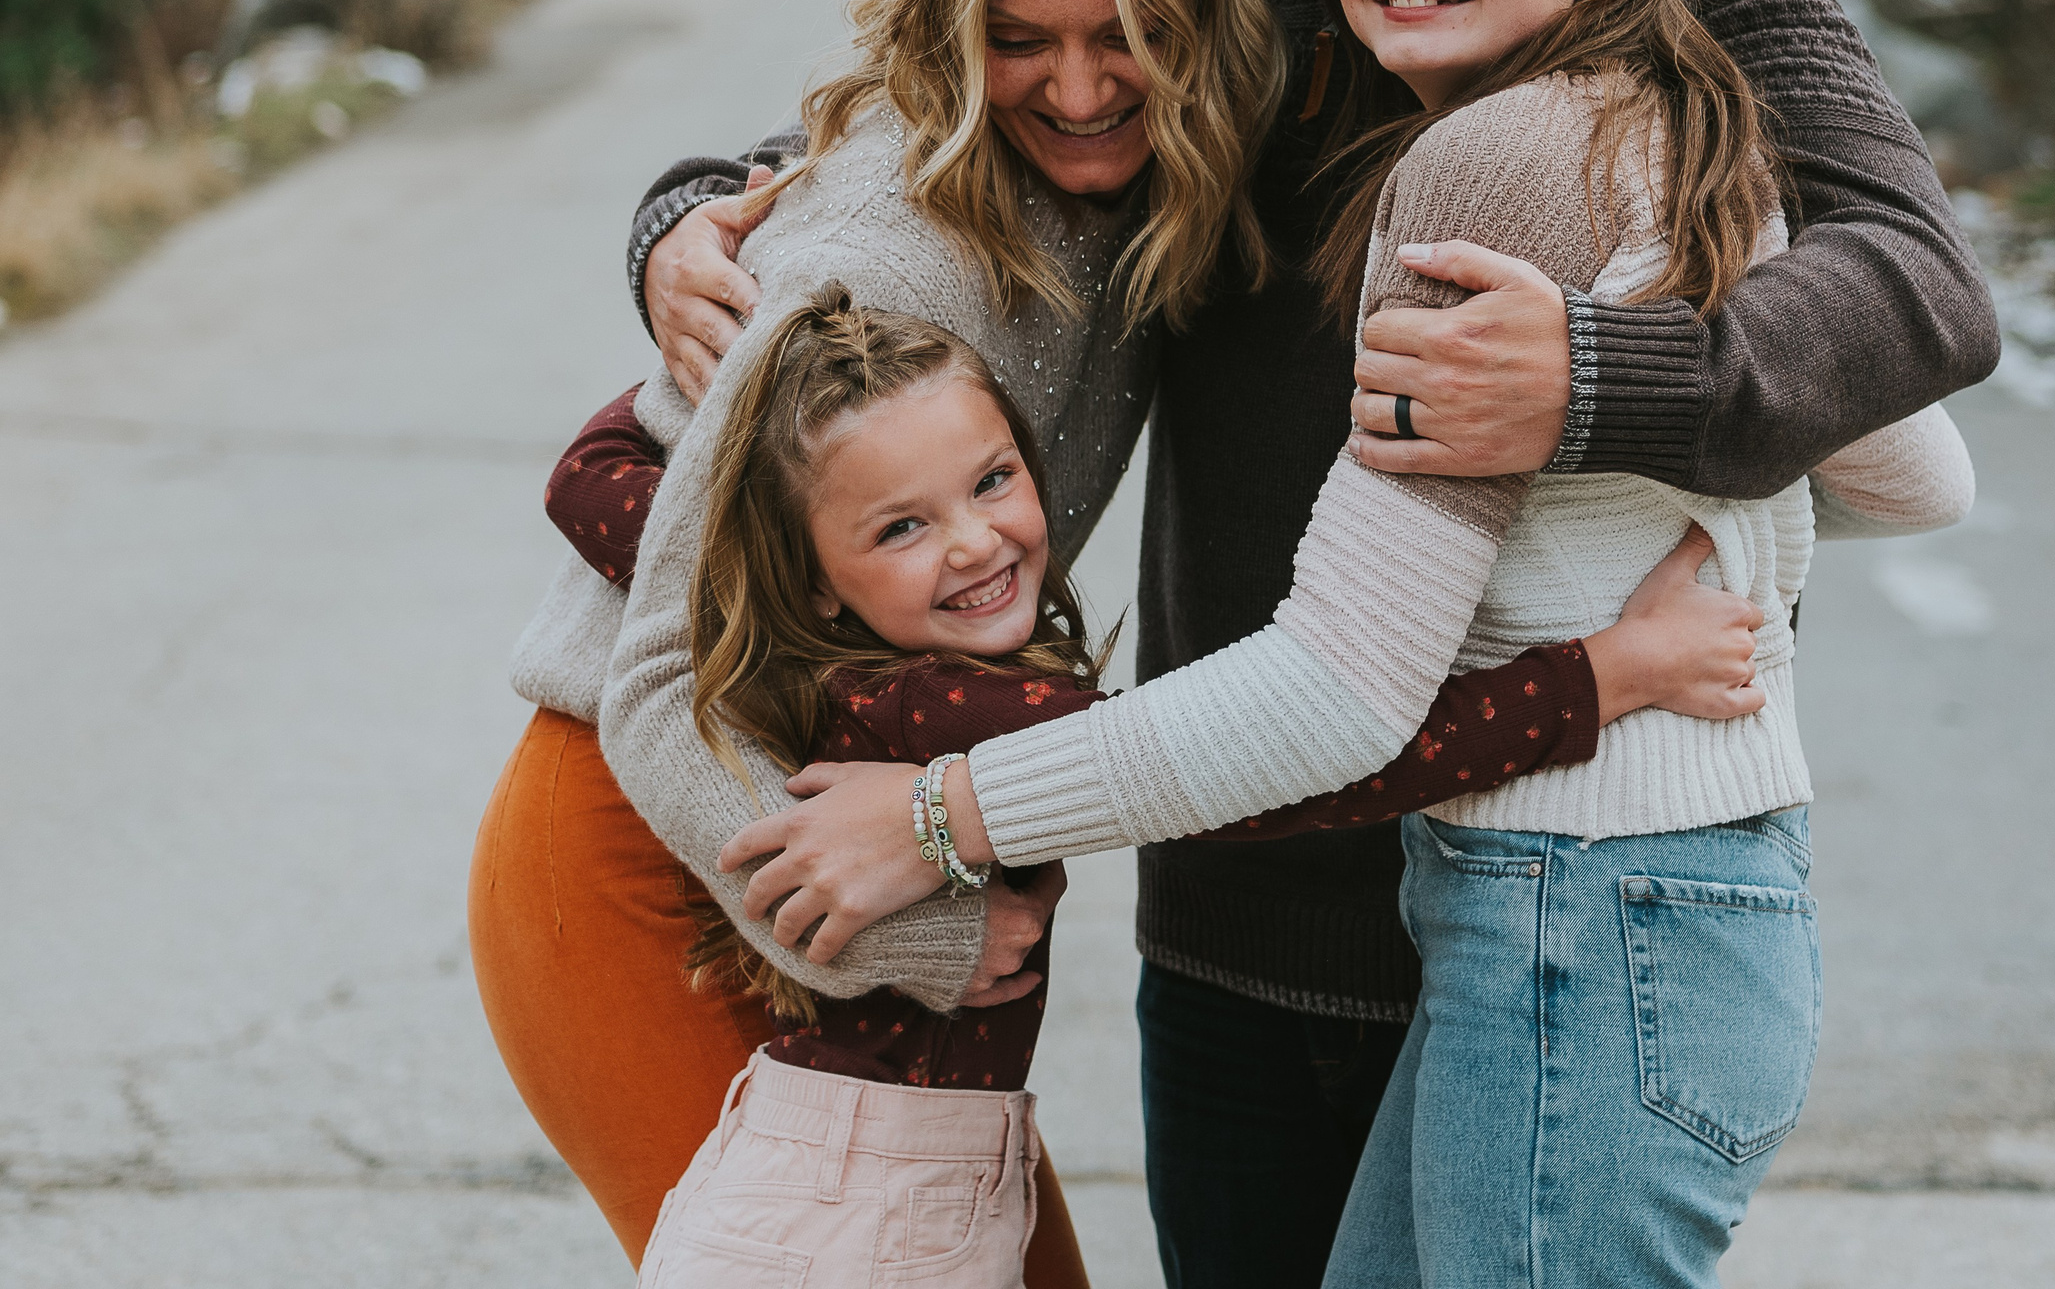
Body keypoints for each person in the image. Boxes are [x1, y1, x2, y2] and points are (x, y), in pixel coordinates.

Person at [633, 0, 1999, 1289]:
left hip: (1538, 881)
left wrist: (1591, 378)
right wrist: (682, 221)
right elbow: (977, 93)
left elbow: (1918, 295)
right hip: (1250, 896)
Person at [473, 0, 1750, 1272]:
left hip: (866, 823)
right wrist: (918, 926)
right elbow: (665, 666)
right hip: (659, 845)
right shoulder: (885, 263)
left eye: (1128, 32)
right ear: (953, 22)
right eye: (1020, 40)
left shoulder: (1161, 179)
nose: (1079, 90)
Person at [571, 291, 1767, 1286]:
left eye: (991, 481)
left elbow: (594, 478)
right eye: (900, 528)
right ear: (814, 577)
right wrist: (1600, 676)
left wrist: (753, 307)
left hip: (832, 1167)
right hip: (874, 1202)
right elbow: (1281, 774)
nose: (976, 543)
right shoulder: (941, 706)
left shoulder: (833, 657)